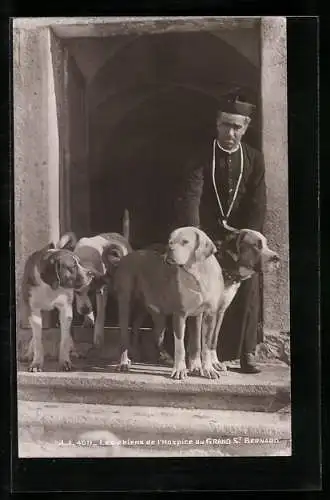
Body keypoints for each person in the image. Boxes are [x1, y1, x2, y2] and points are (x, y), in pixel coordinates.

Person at [175, 92, 267, 373]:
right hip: (209, 235)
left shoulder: (254, 158)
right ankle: (192, 351)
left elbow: (257, 201)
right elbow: (192, 195)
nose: (231, 132)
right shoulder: (201, 155)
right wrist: (196, 238)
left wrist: (249, 241)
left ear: (246, 126)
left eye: (237, 127)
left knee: (248, 283)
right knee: (199, 287)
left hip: (241, 237)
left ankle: (246, 351)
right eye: (226, 125)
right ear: (217, 124)